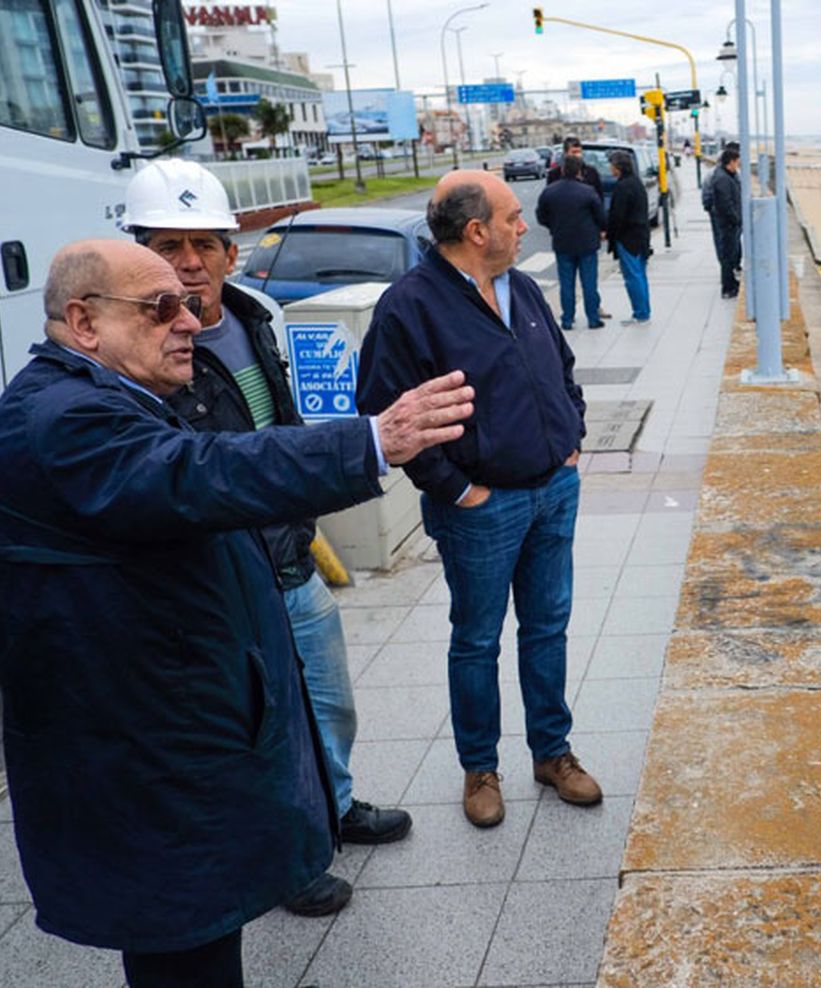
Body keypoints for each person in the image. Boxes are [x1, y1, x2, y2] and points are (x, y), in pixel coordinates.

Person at [0, 239, 474, 988]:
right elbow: (198, 474)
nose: (189, 322)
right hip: (145, 766)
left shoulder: (110, 394)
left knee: (201, 936)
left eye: (188, 301)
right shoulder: (64, 419)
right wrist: (371, 440)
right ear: (83, 322)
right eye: (160, 307)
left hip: (170, 747)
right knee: (185, 948)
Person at [121, 159, 411, 918]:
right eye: (167, 245)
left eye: (203, 245)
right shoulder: (137, 351)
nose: (188, 264)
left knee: (328, 703)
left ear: (230, 253)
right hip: (220, 581)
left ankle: (335, 806)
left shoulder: (256, 316)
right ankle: (290, 857)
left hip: (288, 558)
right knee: (262, 728)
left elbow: (279, 432)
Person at [357, 170, 602, 832]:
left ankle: (552, 754)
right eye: (514, 217)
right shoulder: (409, 307)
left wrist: (571, 437)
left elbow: (560, 364)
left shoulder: (520, 286)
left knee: (548, 627)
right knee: (477, 640)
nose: (525, 227)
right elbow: (385, 413)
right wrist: (457, 489)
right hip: (481, 509)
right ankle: (480, 768)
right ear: (477, 231)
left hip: (554, 489)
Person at [536, 155, 607, 331]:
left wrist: (554, 226)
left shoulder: (550, 191)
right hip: (587, 243)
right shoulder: (588, 191)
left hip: (562, 241)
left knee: (566, 283)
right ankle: (593, 318)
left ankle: (567, 319)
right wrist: (600, 230)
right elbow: (601, 216)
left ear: (562, 170)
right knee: (589, 283)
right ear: (579, 172)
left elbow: (541, 216)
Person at [606, 150, 652, 325]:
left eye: (612, 165)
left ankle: (640, 313)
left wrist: (610, 234)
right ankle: (644, 310)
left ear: (619, 167)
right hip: (640, 235)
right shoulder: (636, 183)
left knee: (632, 276)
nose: (610, 168)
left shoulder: (623, 186)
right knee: (640, 274)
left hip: (627, 238)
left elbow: (618, 215)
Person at [712, 148, 744, 299]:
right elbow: (726, 204)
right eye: (737, 162)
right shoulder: (722, 179)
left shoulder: (726, 175)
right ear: (731, 161)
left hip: (730, 223)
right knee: (727, 256)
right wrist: (736, 219)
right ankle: (727, 287)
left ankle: (731, 283)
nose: (738, 165)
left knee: (729, 255)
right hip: (728, 224)